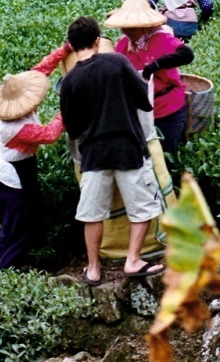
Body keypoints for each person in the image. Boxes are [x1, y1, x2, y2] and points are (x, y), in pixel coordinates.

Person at [59, 16, 164, 284]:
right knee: (141, 208)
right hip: (128, 147)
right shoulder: (117, 62)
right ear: (97, 41)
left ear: (71, 45)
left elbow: (72, 128)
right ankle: (133, 261)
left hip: (94, 154)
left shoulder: (70, 81)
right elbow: (143, 99)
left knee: (92, 214)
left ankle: (93, 268)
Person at [0, 71, 65, 271]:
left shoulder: (13, 107)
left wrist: (63, 51)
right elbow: (49, 134)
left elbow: (39, 72)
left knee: (16, 217)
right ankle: (4, 269)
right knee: (18, 223)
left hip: (24, 166)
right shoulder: (13, 127)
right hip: (11, 173)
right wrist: (68, 107)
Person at [108, 0, 195, 156]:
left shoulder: (161, 39)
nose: (128, 31)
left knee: (166, 155)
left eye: (133, 27)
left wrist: (154, 66)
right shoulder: (122, 45)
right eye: (125, 26)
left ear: (144, 25)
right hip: (140, 112)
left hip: (169, 108)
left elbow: (186, 55)